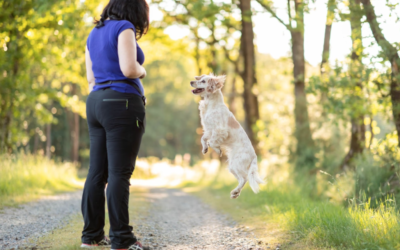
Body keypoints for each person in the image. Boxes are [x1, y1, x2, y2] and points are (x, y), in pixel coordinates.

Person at [80, 0, 150, 249]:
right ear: (134, 9)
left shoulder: (93, 32)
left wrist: (103, 98)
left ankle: (91, 236)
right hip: (122, 104)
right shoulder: (125, 27)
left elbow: (90, 78)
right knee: (119, 173)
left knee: (96, 173)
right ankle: (122, 239)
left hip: (96, 102)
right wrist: (143, 71)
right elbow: (129, 69)